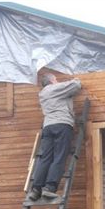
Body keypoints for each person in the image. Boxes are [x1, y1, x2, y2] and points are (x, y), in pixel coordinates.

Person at [28, 73, 81, 201]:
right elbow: (76, 85)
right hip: (62, 125)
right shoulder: (54, 88)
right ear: (52, 80)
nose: (57, 81)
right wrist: (76, 79)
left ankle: (36, 189)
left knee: (45, 158)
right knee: (59, 156)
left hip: (48, 127)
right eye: (56, 79)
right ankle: (49, 188)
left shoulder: (42, 94)